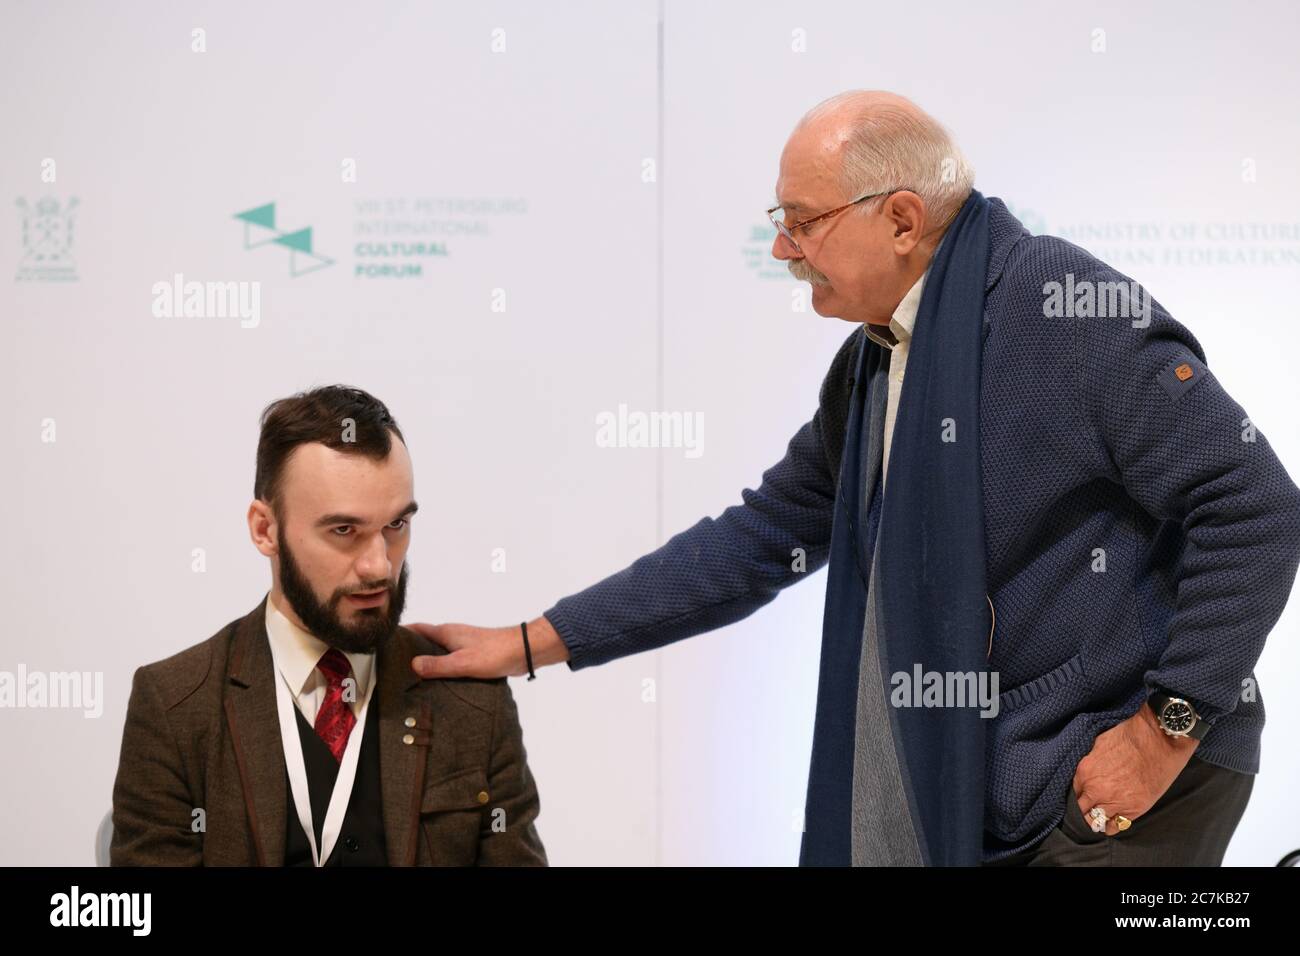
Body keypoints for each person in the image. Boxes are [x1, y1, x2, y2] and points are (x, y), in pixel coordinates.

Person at [407, 90, 1300, 866]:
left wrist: (1167, 729)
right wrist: (534, 643)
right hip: (1008, 785)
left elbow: (1254, 507)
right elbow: (759, 539)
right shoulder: (876, 367)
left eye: (803, 221)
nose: (784, 250)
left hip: (1128, 781)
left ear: (903, 220)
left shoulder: (1060, 306)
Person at [111, 385, 546, 866]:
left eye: (396, 526)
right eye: (344, 531)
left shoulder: (473, 703)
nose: (379, 567)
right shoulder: (175, 707)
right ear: (265, 529)